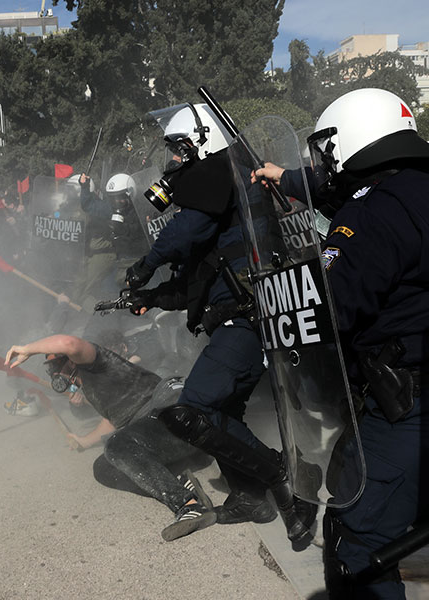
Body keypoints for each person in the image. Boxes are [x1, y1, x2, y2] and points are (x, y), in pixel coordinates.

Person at [257, 88, 429, 599]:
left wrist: (283, 300)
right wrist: (287, 179)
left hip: (409, 407)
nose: (323, 162)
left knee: (359, 544)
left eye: (327, 150)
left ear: (351, 142)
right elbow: (348, 191)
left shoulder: (370, 216)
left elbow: (331, 311)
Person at [123, 103, 317, 548]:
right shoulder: (215, 200)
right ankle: (251, 497)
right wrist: (147, 296)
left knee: (192, 410)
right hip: (235, 318)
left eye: (178, 148)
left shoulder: (220, 174)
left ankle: (286, 476)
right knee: (221, 411)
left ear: (203, 143)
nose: (172, 160)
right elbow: (193, 282)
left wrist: (145, 263)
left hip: (248, 320)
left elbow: (183, 232)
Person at [5, 333, 220, 541]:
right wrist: (83, 441)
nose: (54, 375)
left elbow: (69, 342)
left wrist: (26, 350)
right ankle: (179, 483)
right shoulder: (91, 388)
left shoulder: (96, 363)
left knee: (117, 445)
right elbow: (114, 421)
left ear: (70, 362)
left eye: (55, 368)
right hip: (162, 433)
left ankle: (188, 504)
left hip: (177, 413)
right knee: (104, 467)